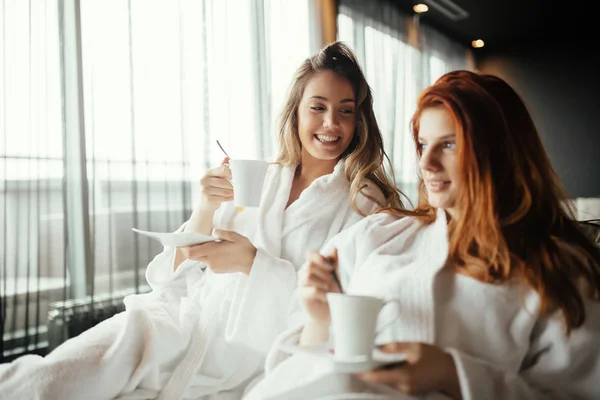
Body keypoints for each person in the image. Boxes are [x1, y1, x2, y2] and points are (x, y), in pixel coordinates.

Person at [0, 42, 407, 400]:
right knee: (48, 379)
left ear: (359, 122)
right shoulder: (260, 179)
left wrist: (254, 265)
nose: (331, 124)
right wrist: (205, 208)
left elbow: (341, 310)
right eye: (317, 108)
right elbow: (167, 277)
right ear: (296, 113)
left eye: (345, 112)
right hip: (176, 322)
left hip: (246, 355)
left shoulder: (363, 206)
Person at [243, 70, 600, 400]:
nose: (426, 163)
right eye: (422, 145)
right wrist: (321, 319)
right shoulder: (380, 232)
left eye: (449, 145)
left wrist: (454, 375)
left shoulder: (559, 270)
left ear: (501, 151)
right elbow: (293, 365)